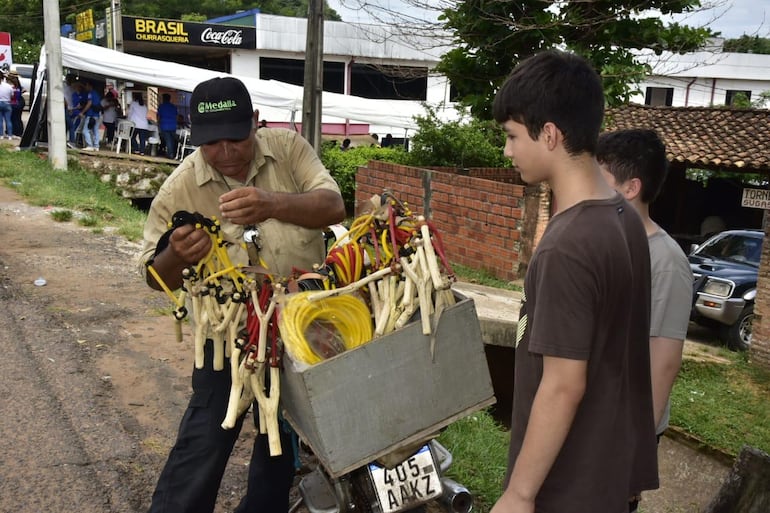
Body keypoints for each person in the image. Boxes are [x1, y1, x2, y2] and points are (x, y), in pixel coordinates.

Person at [138, 76, 345, 513]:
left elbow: (333, 207)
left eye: (237, 137)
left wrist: (273, 203)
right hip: (227, 336)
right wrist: (176, 254)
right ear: (196, 137)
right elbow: (156, 279)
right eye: (213, 143)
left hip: (300, 320)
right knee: (208, 436)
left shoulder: (288, 150)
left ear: (256, 122)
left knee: (283, 437)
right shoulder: (180, 188)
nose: (227, 152)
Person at [489, 50, 658, 513]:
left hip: (568, 485)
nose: (507, 152)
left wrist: (520, 494)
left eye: (512, 136)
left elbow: (563, 383)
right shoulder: (625, 217)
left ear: (549, 134)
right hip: (608, 471)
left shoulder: (569, 243)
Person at [596, 129, 692, 512]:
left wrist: (634, 457)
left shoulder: (666, 262)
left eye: (598, 179)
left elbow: (663, 363)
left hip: (624, 429)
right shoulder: (602, 243)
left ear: (631, 187)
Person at [81, 81, 102, 151]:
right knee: (96, 130)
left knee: (85, 130)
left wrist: (82, 112)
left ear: (90, 86)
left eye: (86, 85)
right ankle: (96, 146)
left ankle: (90, 145)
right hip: (97, 115)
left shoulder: (90, 94)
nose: (85, 87)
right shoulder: (97, 94)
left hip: (90, 115)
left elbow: (89, 103)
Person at [157, 93, 178, 159]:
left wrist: (158, 124)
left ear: (163, 99)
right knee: (172, 140)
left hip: (165, 125)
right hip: (173, 125)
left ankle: (170, 154)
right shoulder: (173, 107)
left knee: (168, 140)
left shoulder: (161, 106)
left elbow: (158, 117)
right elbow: (176, 116)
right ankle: (173, 153)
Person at [7, 71, 25, 138]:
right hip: (20, 101)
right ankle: (19, 132)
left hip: (14, 103)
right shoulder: (18, 83)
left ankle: (15, 132)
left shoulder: (11, 85)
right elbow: (22, 90)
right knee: (18, 117)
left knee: (13, 118)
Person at [0, 74, 14, 139]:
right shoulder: (9, 86)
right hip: (7, 103)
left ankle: (1, 135)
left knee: (0, 121)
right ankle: (10, 135)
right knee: (8, 120)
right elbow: (12, 95)